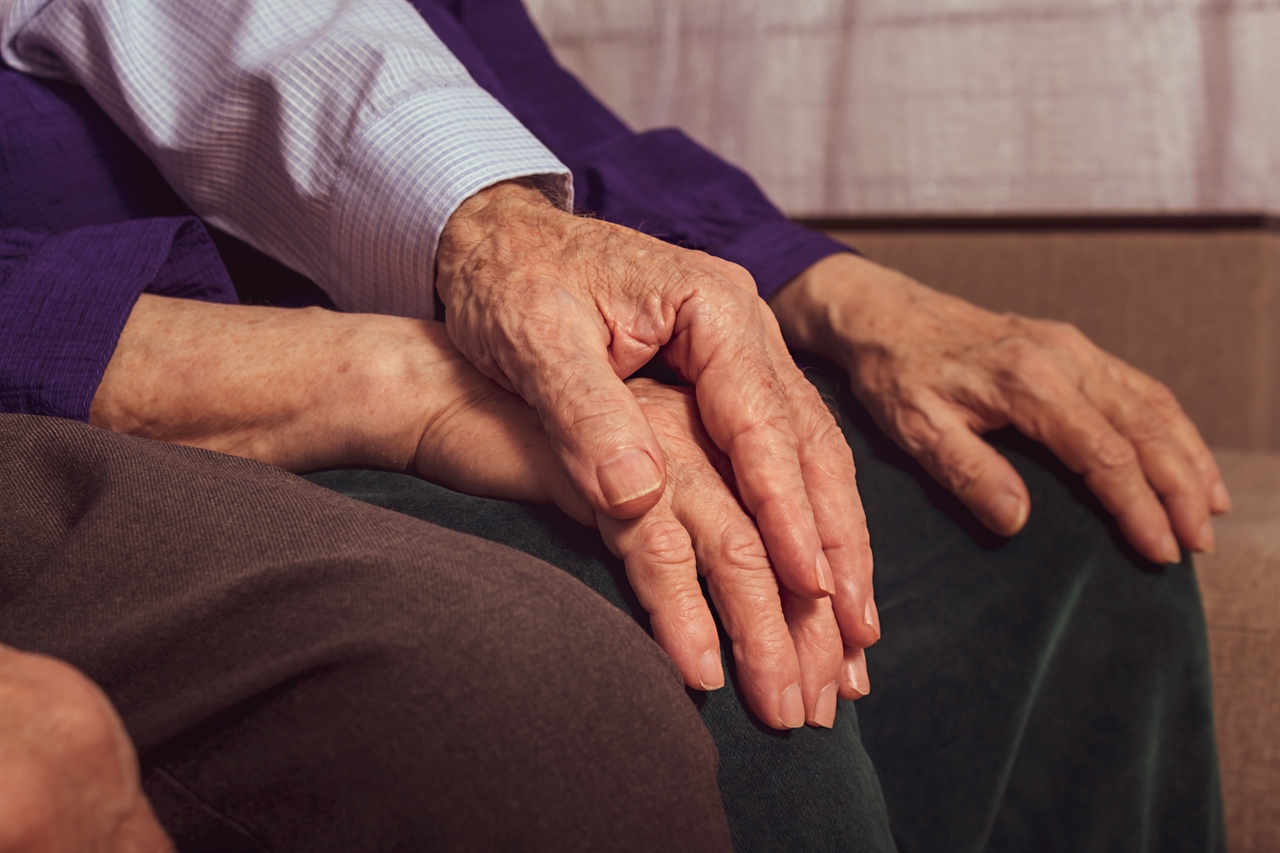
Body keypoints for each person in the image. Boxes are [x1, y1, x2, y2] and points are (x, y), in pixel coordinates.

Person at [0, 0, 1226, 850]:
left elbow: (508, 96)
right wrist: (391, 374)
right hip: (111, 384)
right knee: (697, 663)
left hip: (386, 316)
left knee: (1044, 526)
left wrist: (839, 293)